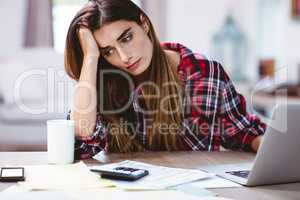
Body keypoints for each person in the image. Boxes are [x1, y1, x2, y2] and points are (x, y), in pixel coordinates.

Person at [64, 0, 266, 160]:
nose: (124, 57)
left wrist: (266, 146)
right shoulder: (106, 81)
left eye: (126, 38)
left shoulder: (205, 73)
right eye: (108, 51)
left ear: (143, 23)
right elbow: (82, 142)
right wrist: (91, 57)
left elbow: (241, 132)